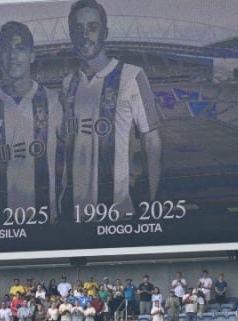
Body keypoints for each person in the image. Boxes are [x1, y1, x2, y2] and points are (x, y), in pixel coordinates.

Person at [60, 0, 161, 215]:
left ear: (105, 33)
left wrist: (153, 200)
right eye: (78, 29)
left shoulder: (132, 75)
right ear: (70, 35)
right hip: (78, 211)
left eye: (92, 28)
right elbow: (70, 142)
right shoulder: (68, 83)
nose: (84, 35)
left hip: (120, 211)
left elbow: (151, 141)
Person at [0, 21, 62, 222]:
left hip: (46, 222)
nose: (12, 56)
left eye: (20, 49)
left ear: (32, 55)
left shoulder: (55, 102)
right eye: (6, 49)